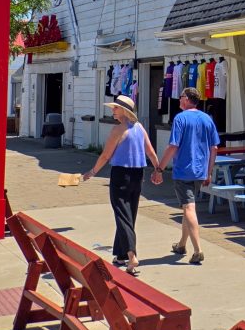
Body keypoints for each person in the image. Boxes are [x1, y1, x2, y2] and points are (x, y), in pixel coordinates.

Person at [83, 95, 160, 275]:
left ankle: (132, 256)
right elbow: (150, 152)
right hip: (137, 174)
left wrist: (92, 172)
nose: (113, 111)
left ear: (124, 111)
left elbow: (105, 156)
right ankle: (120, 254)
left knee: (122, 215)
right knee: (129, 213)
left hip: (121, 175)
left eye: (116, 108)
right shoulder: (139, 128)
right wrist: (158, 170)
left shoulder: (118, 130)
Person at [150, 87, 219, 265]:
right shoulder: (207, 119)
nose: (179, 100)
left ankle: (198, 250)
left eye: (181, 97)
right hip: (200, 170)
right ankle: (181, 244)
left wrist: (159, 168)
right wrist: (209, 171)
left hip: (183, 171)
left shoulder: (180, 118)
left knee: (189, 209)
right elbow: (214, 148)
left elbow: (173, 146)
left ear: (187, 99)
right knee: (187, 208)